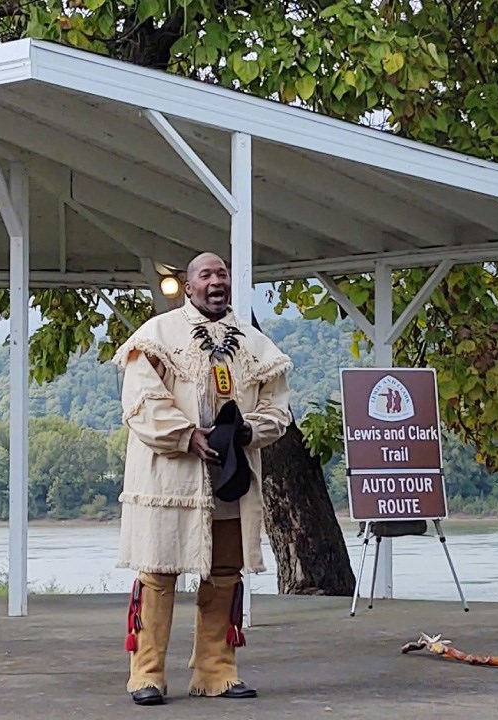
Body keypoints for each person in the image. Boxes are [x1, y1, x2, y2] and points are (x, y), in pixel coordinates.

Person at [112, 252, 292, 706]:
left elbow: (277, 408)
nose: (217, 281)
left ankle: (215, 671)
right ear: (188, 287)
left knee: (226, 571)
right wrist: (185, 434)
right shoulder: (156, 336)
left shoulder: (254, 344)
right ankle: (146, 674)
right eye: (206, 275)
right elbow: (140, 399)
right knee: (158, 572)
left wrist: (248, 430)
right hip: (168, 478)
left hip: (229, 476)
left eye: (222, 274)